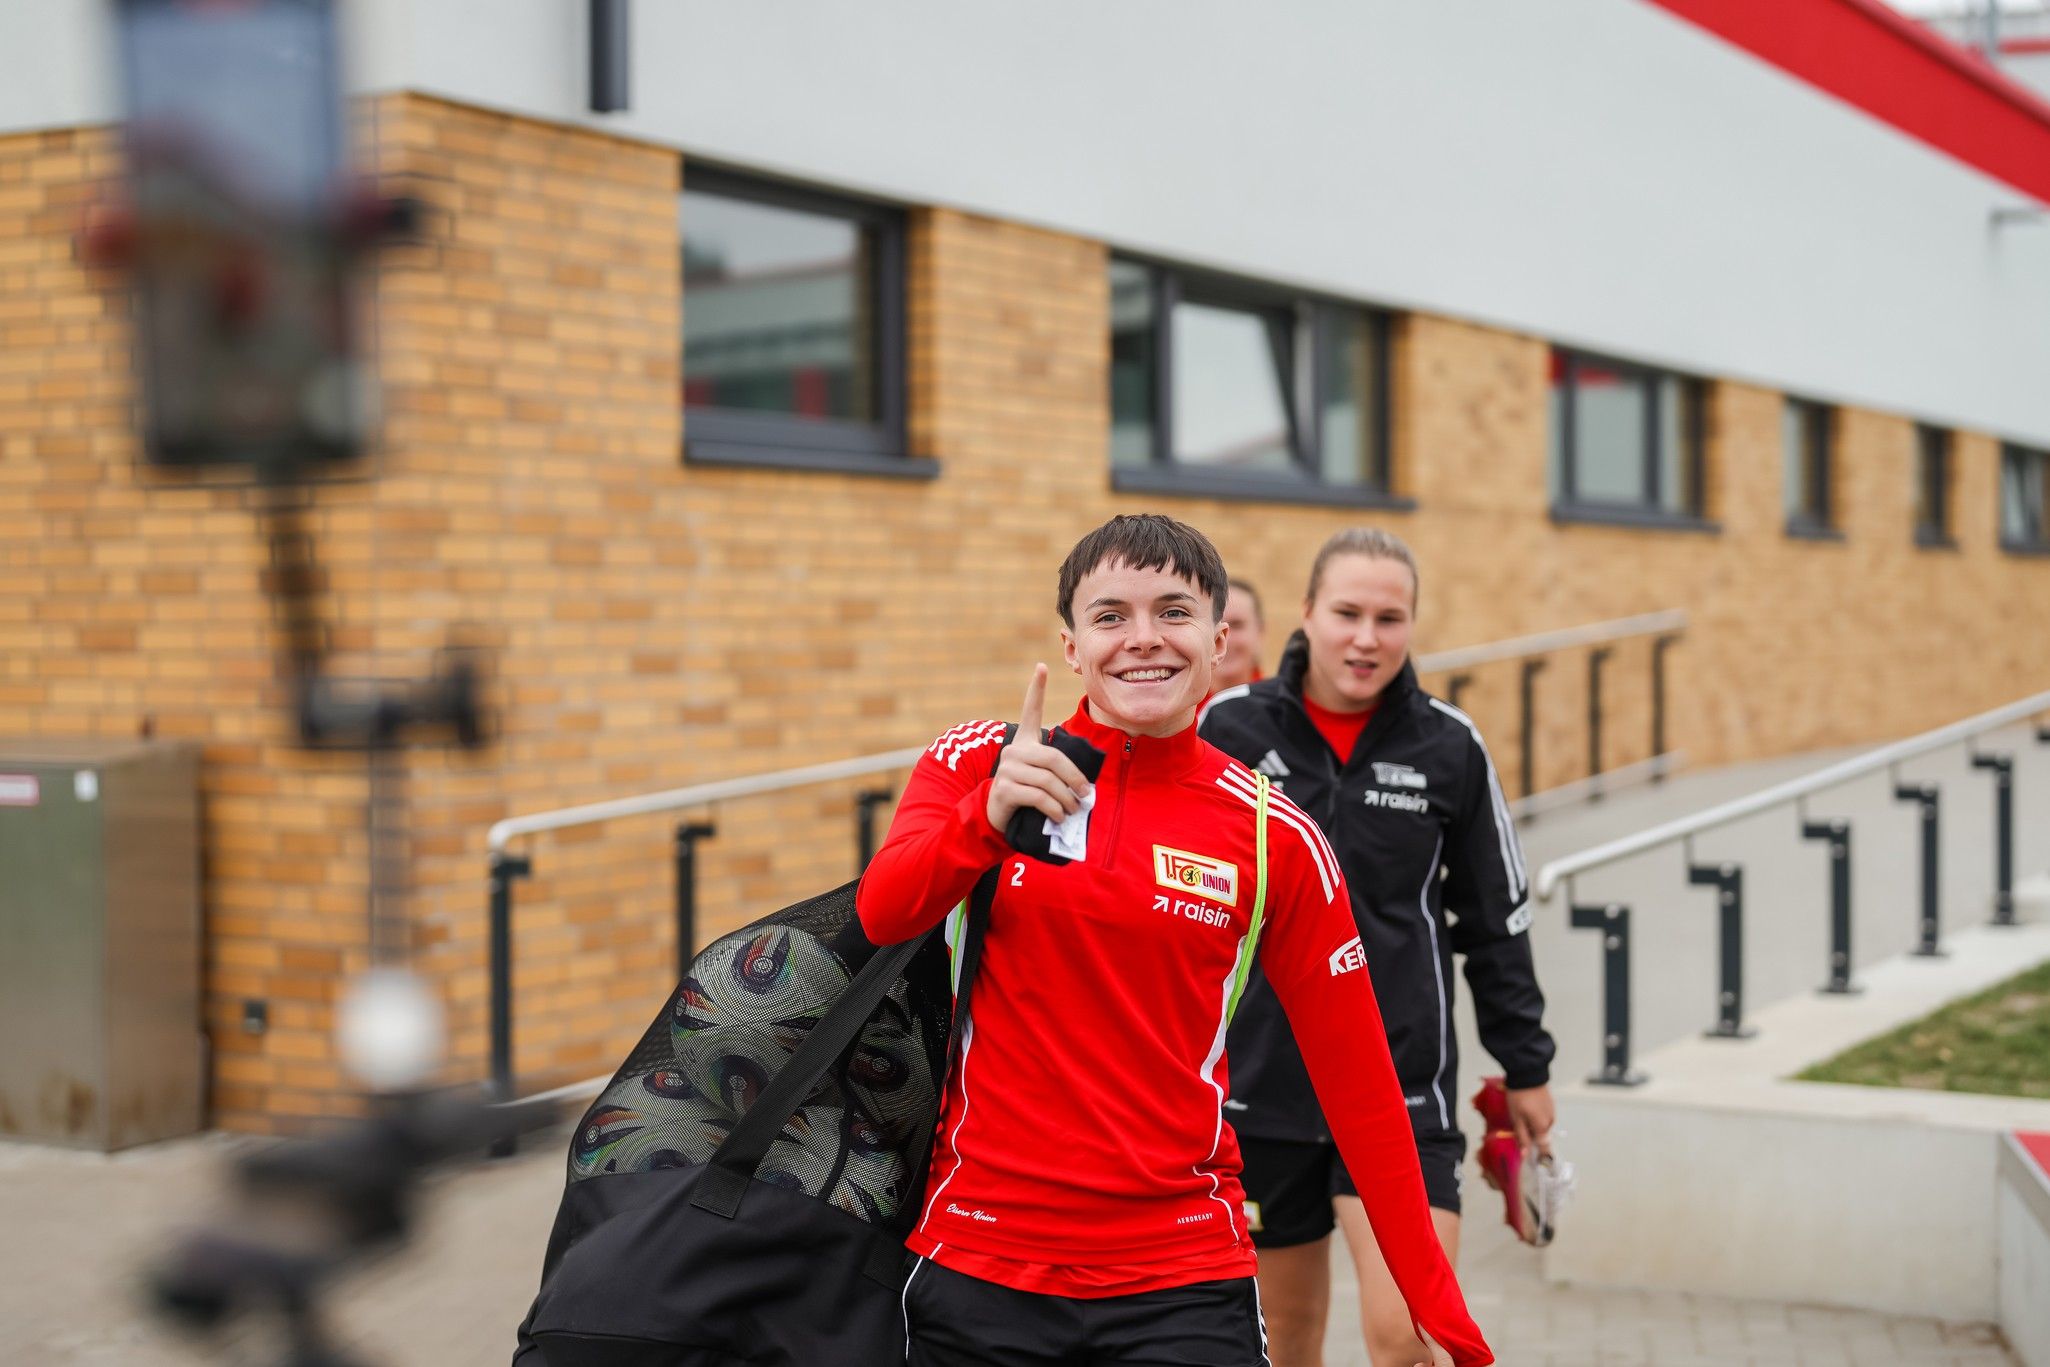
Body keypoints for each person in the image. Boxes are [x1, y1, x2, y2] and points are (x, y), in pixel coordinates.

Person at [856, 514, 1492, 1367]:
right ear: (1072, 646)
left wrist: (1436, 1301)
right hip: (980, 1258)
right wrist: (987, 818)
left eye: (1174, 612)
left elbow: (1363, 1085)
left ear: (1219, 639)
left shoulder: (1274, 833)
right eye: (1110, 615)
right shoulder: (979, 762)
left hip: (1183, 1274)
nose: (1143, 638)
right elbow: (883, 913)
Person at [1199, 527, 1555, 1367]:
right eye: (1347, 613)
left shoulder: (1449, 745)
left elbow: (1496, 920)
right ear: (1307, 612)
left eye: (1389, 619)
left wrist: (1526, 1065)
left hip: (1401, 1087)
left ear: (1412, 624)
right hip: (1261, 1091)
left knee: (1410, 1335)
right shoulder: (1226, 727)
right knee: (1285, 1338)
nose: (1366, 638)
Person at [1215, 577, 1268, 693]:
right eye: (1215, 625)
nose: (1225, 639)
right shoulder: (1178, 702)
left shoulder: (1282, 702)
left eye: (1237, 625)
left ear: (1260, 631)